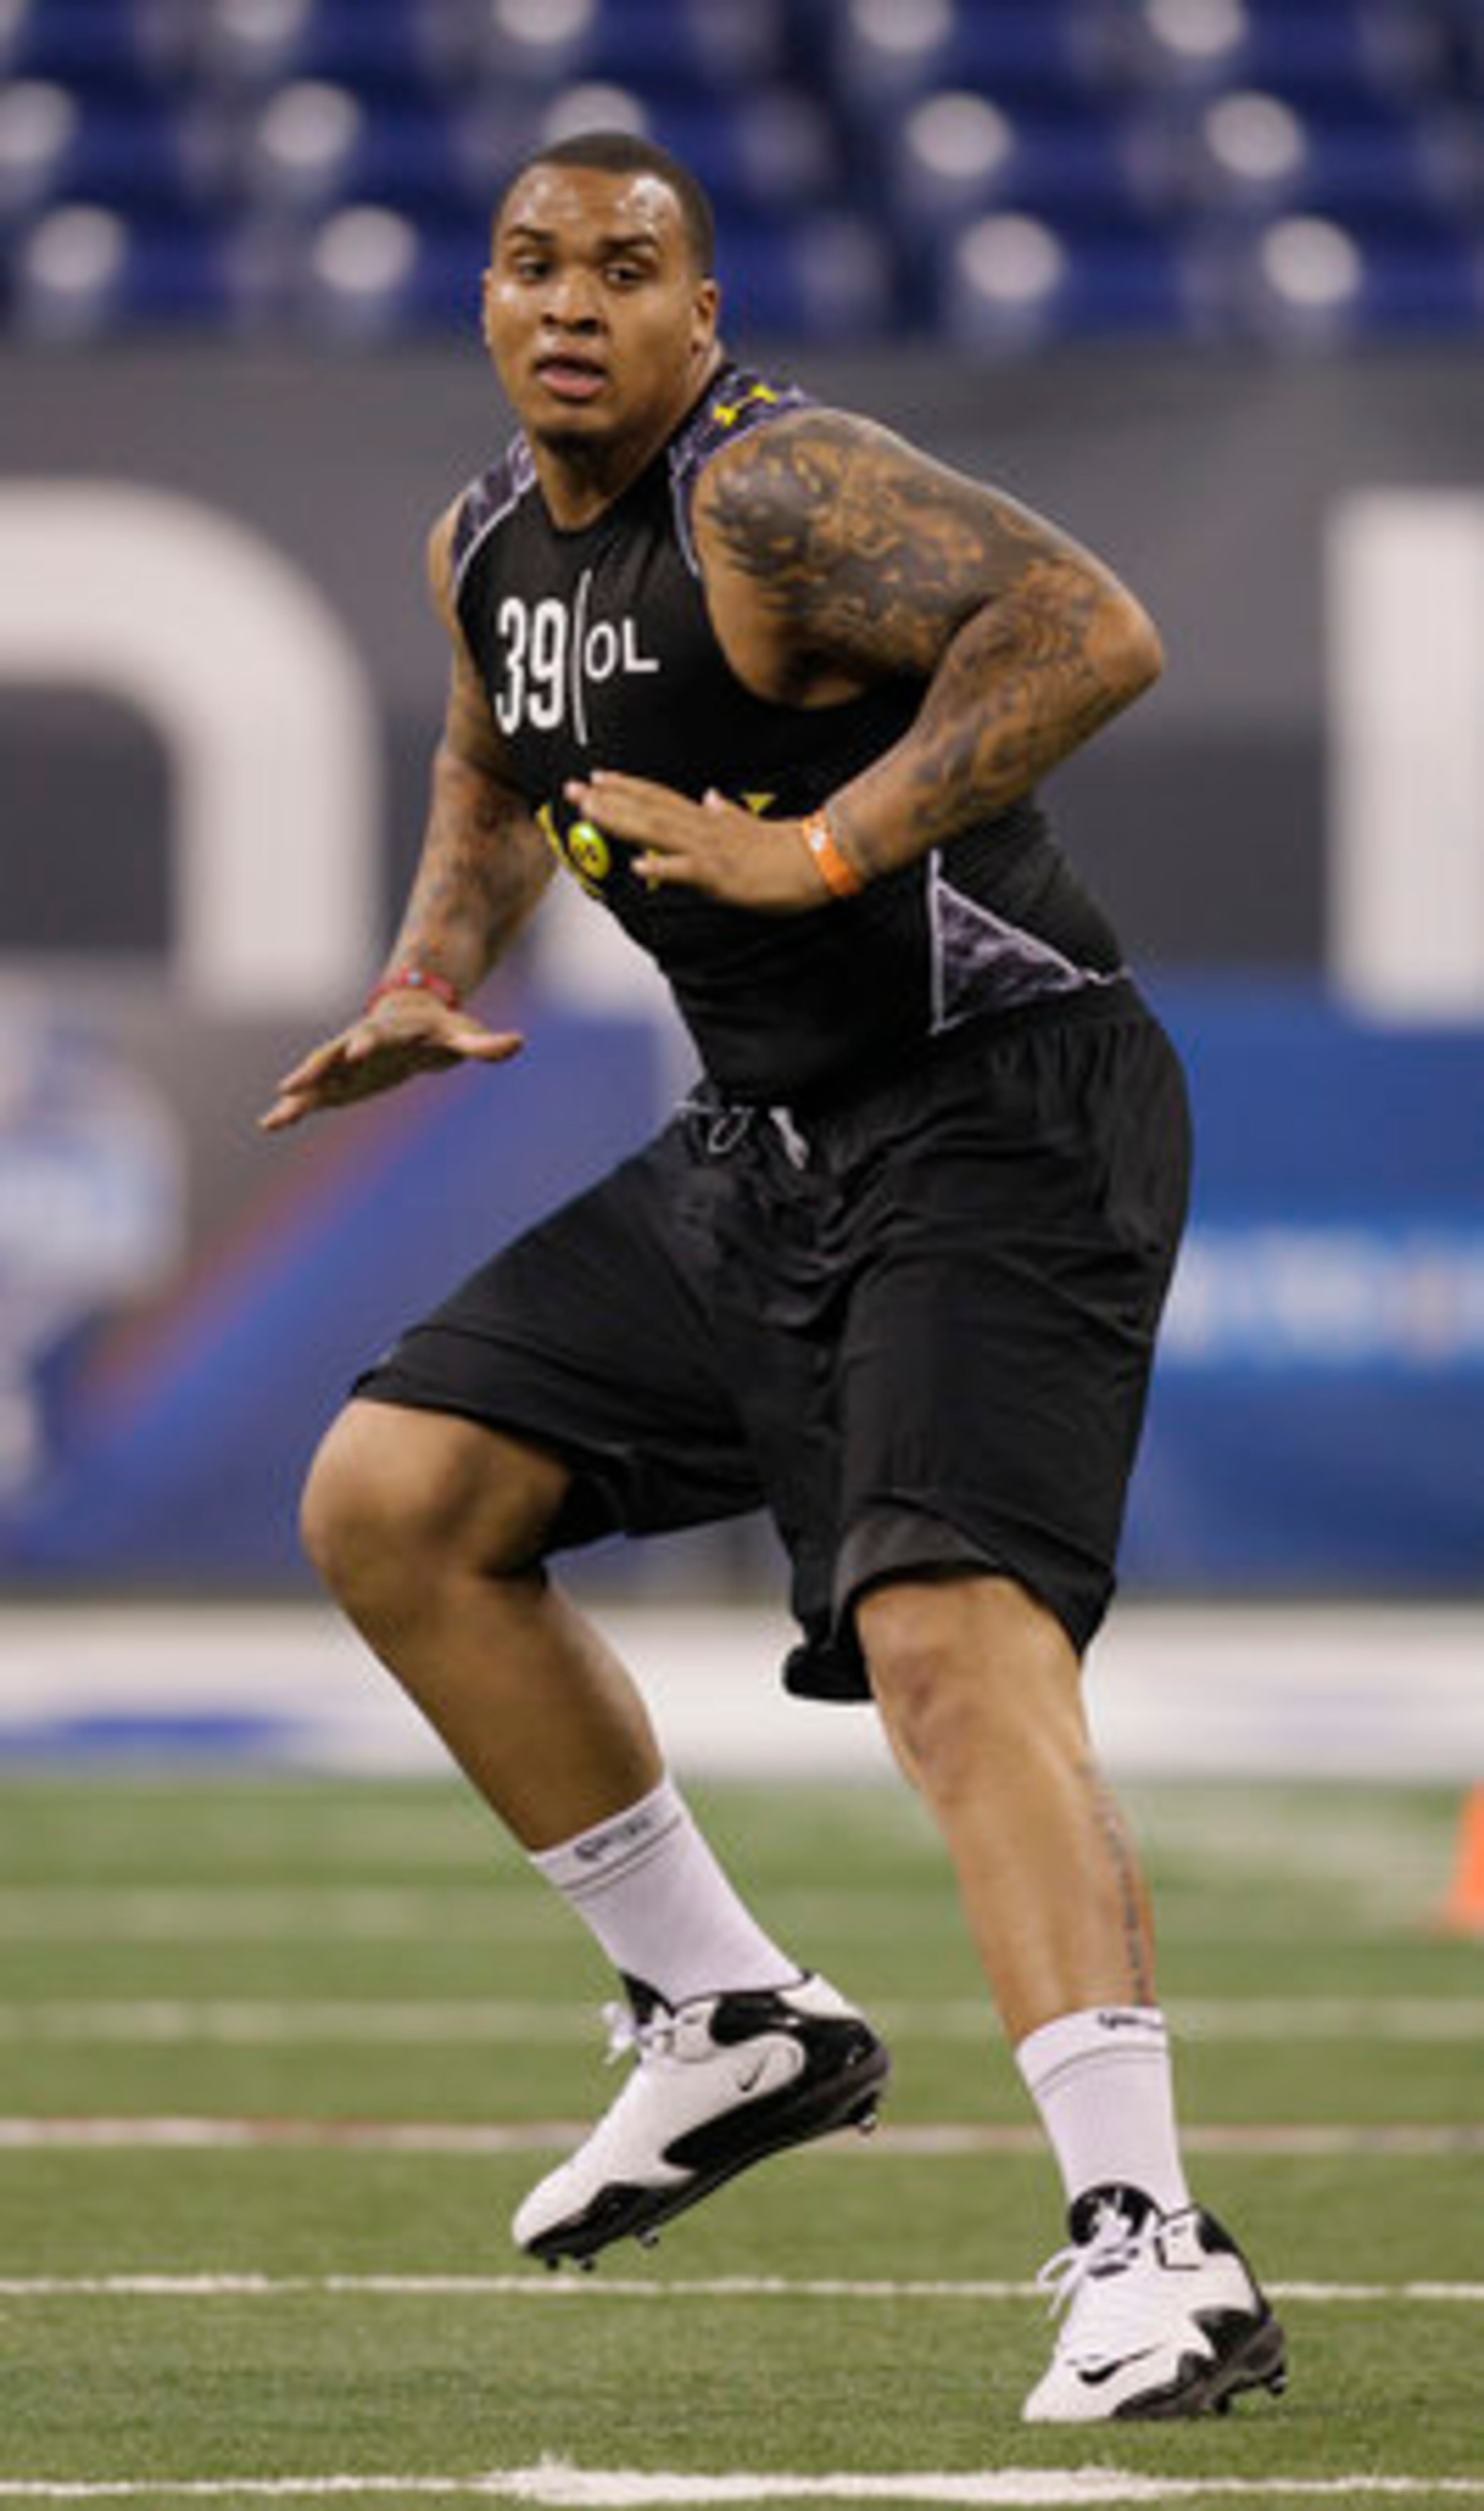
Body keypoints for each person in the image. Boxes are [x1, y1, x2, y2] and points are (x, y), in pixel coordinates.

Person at [262, 130, 1285, 2424]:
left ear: (700, 313)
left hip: (998, 1108)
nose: (571, 303)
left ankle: (1154, 2246)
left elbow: (1087, 628)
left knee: (945, 1637)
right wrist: (433, 968)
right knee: (394, 1499)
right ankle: (730, 2018)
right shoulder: (484, 539)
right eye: (532, 262)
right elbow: (496, 761)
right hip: (765, 1148)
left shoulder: (779, 485)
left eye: (627, 270)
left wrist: (829, 841)